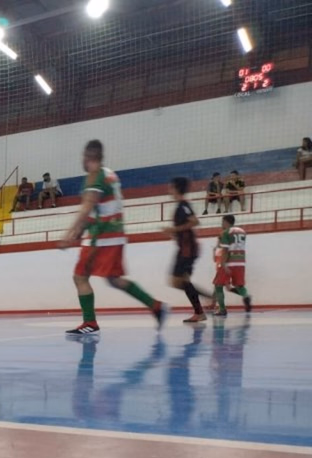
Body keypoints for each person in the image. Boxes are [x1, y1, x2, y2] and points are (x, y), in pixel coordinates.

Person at [57, 139, 167, 338]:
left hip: (101, 236)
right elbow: (98, 208)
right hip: (114, 235)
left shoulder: (94, 176)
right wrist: (80, 231)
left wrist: (68, 234)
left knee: (80, 277)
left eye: (83, 156)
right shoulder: (109, 174)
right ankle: (156, 306)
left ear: (89, 157)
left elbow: (87, 207)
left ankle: (90, 322)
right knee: (114, 280)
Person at [164, 176, 215, 324]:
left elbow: (194, 221)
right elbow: (185, 227)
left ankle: (207, 299)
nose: (169, 190)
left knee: (176, 281)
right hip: (185, 248)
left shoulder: (183, 205)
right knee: (182, 281)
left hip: (188, 249)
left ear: (176, 188)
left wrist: (174, 229)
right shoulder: (180, 207)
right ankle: (200, 311)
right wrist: (174, 233)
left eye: (170, 187)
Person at [211, 214, 252, 317]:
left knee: (218, 285)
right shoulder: (242, 232)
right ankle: (246, 296)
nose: (222, 224)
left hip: (230, 262)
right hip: (241, 261)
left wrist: (224, 263)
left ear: (225, 221)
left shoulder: (225, 232)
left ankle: (222, 309)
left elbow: (225, 250)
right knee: (239, 285)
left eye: (222, 222)